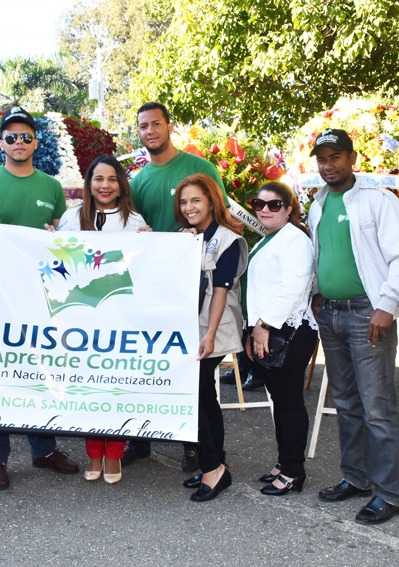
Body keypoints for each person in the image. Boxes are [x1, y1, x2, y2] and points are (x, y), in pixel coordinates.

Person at [308, 128, 399, 524]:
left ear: (352, 158)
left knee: (377, 407)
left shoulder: (378, 201)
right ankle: (356, 478)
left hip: (366, 315)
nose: (328, 165)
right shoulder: (318, 203)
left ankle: (389, 493)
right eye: (322, 159)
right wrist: (317, 295)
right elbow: (320, 255)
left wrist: (386, 306)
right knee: (346, 403)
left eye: (335, 157)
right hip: (332, 314)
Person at [0, 105, 79, 490]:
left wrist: (53, 233)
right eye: (11, 137)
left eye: (26, 136)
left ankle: (43, 450)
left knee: (39, 370)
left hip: (40, 296)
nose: (18, 142)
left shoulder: (50, 187)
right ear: (1, 143)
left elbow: (61, 239)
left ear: (35, 142)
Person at [124, 101, 228, 472]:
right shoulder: (136, 182)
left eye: (156, 124)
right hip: (151, 288)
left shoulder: (199, 168)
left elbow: (221, 222)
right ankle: (140, 439)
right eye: (142, 126)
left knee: (192, 374)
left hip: (195, 288)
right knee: (145, 365)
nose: (149, 131)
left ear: (169, 126)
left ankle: (195, 446)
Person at [54, 154, 148, 484]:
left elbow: (147, 268)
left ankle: (115, 455)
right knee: (87, 388)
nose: (105, 185)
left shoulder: (136, 222)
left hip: (121, 319)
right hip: (80, 320)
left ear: (121, 185)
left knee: (116, 387)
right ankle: (93, 453)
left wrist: (151, 244)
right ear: (89, 185)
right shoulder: (70, 218)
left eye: (111, 179)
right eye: (98, 179)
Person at [175, 173, 247, 502]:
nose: (189, 207)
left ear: (211, 201)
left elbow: (221, 291)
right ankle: (217, 464)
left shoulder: (227, 240)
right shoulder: (188, 237)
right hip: (191, 327)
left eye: (196, 200)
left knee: (194, 394)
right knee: (204, 394)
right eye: (184, 201)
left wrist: (211, 335)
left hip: (212, 328)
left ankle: (212, 467)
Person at [244, 181, 318, 497]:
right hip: (270, 328)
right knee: (280, 401)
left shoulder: (294, 240)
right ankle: (284, 462)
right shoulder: (271, 238)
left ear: (288, 209)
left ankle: (292, 471)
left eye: (274, 205)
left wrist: (263, 325)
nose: (265, 210)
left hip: (288, 330)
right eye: (259, 204)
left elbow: (293, 287)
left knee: (288, 402)